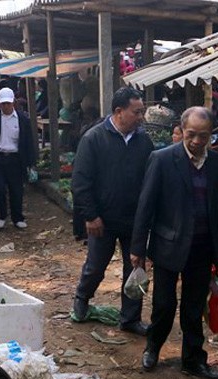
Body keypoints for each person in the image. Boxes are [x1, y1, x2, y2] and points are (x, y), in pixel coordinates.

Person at [130, 107, 218, 379]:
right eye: (191, 134)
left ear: (210, 135)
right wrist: (138, 248)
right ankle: (153, 348)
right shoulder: (161, 160)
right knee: (163, 304)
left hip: (201, 247)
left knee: (194, 307)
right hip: (168, 246)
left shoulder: (217, 164)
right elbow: (145, 206)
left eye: (203, 136)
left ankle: (193, 359)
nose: (197, 141)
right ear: (182, 131)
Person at [71, 87, 154, 335]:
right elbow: (80, 182)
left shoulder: (143, 141)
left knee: (135, 268)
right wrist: (91, 215)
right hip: (102, 220)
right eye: (136, 112)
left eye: (142, 112)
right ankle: (82, 300)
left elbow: (150, 179)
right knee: (96, 265)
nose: (141, 117)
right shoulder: (93, 139)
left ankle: (131, 319)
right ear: (119, 112)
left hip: (134, 220)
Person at [0, 87, 35, 229]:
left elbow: (28, 141)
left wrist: (30, 162)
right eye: (3, 104)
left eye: (8, 103)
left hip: (15, 159)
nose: (5, 106)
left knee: (16, 190)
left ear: (13, 102)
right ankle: (1, 215)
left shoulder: (22, 119)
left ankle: (17, 217)